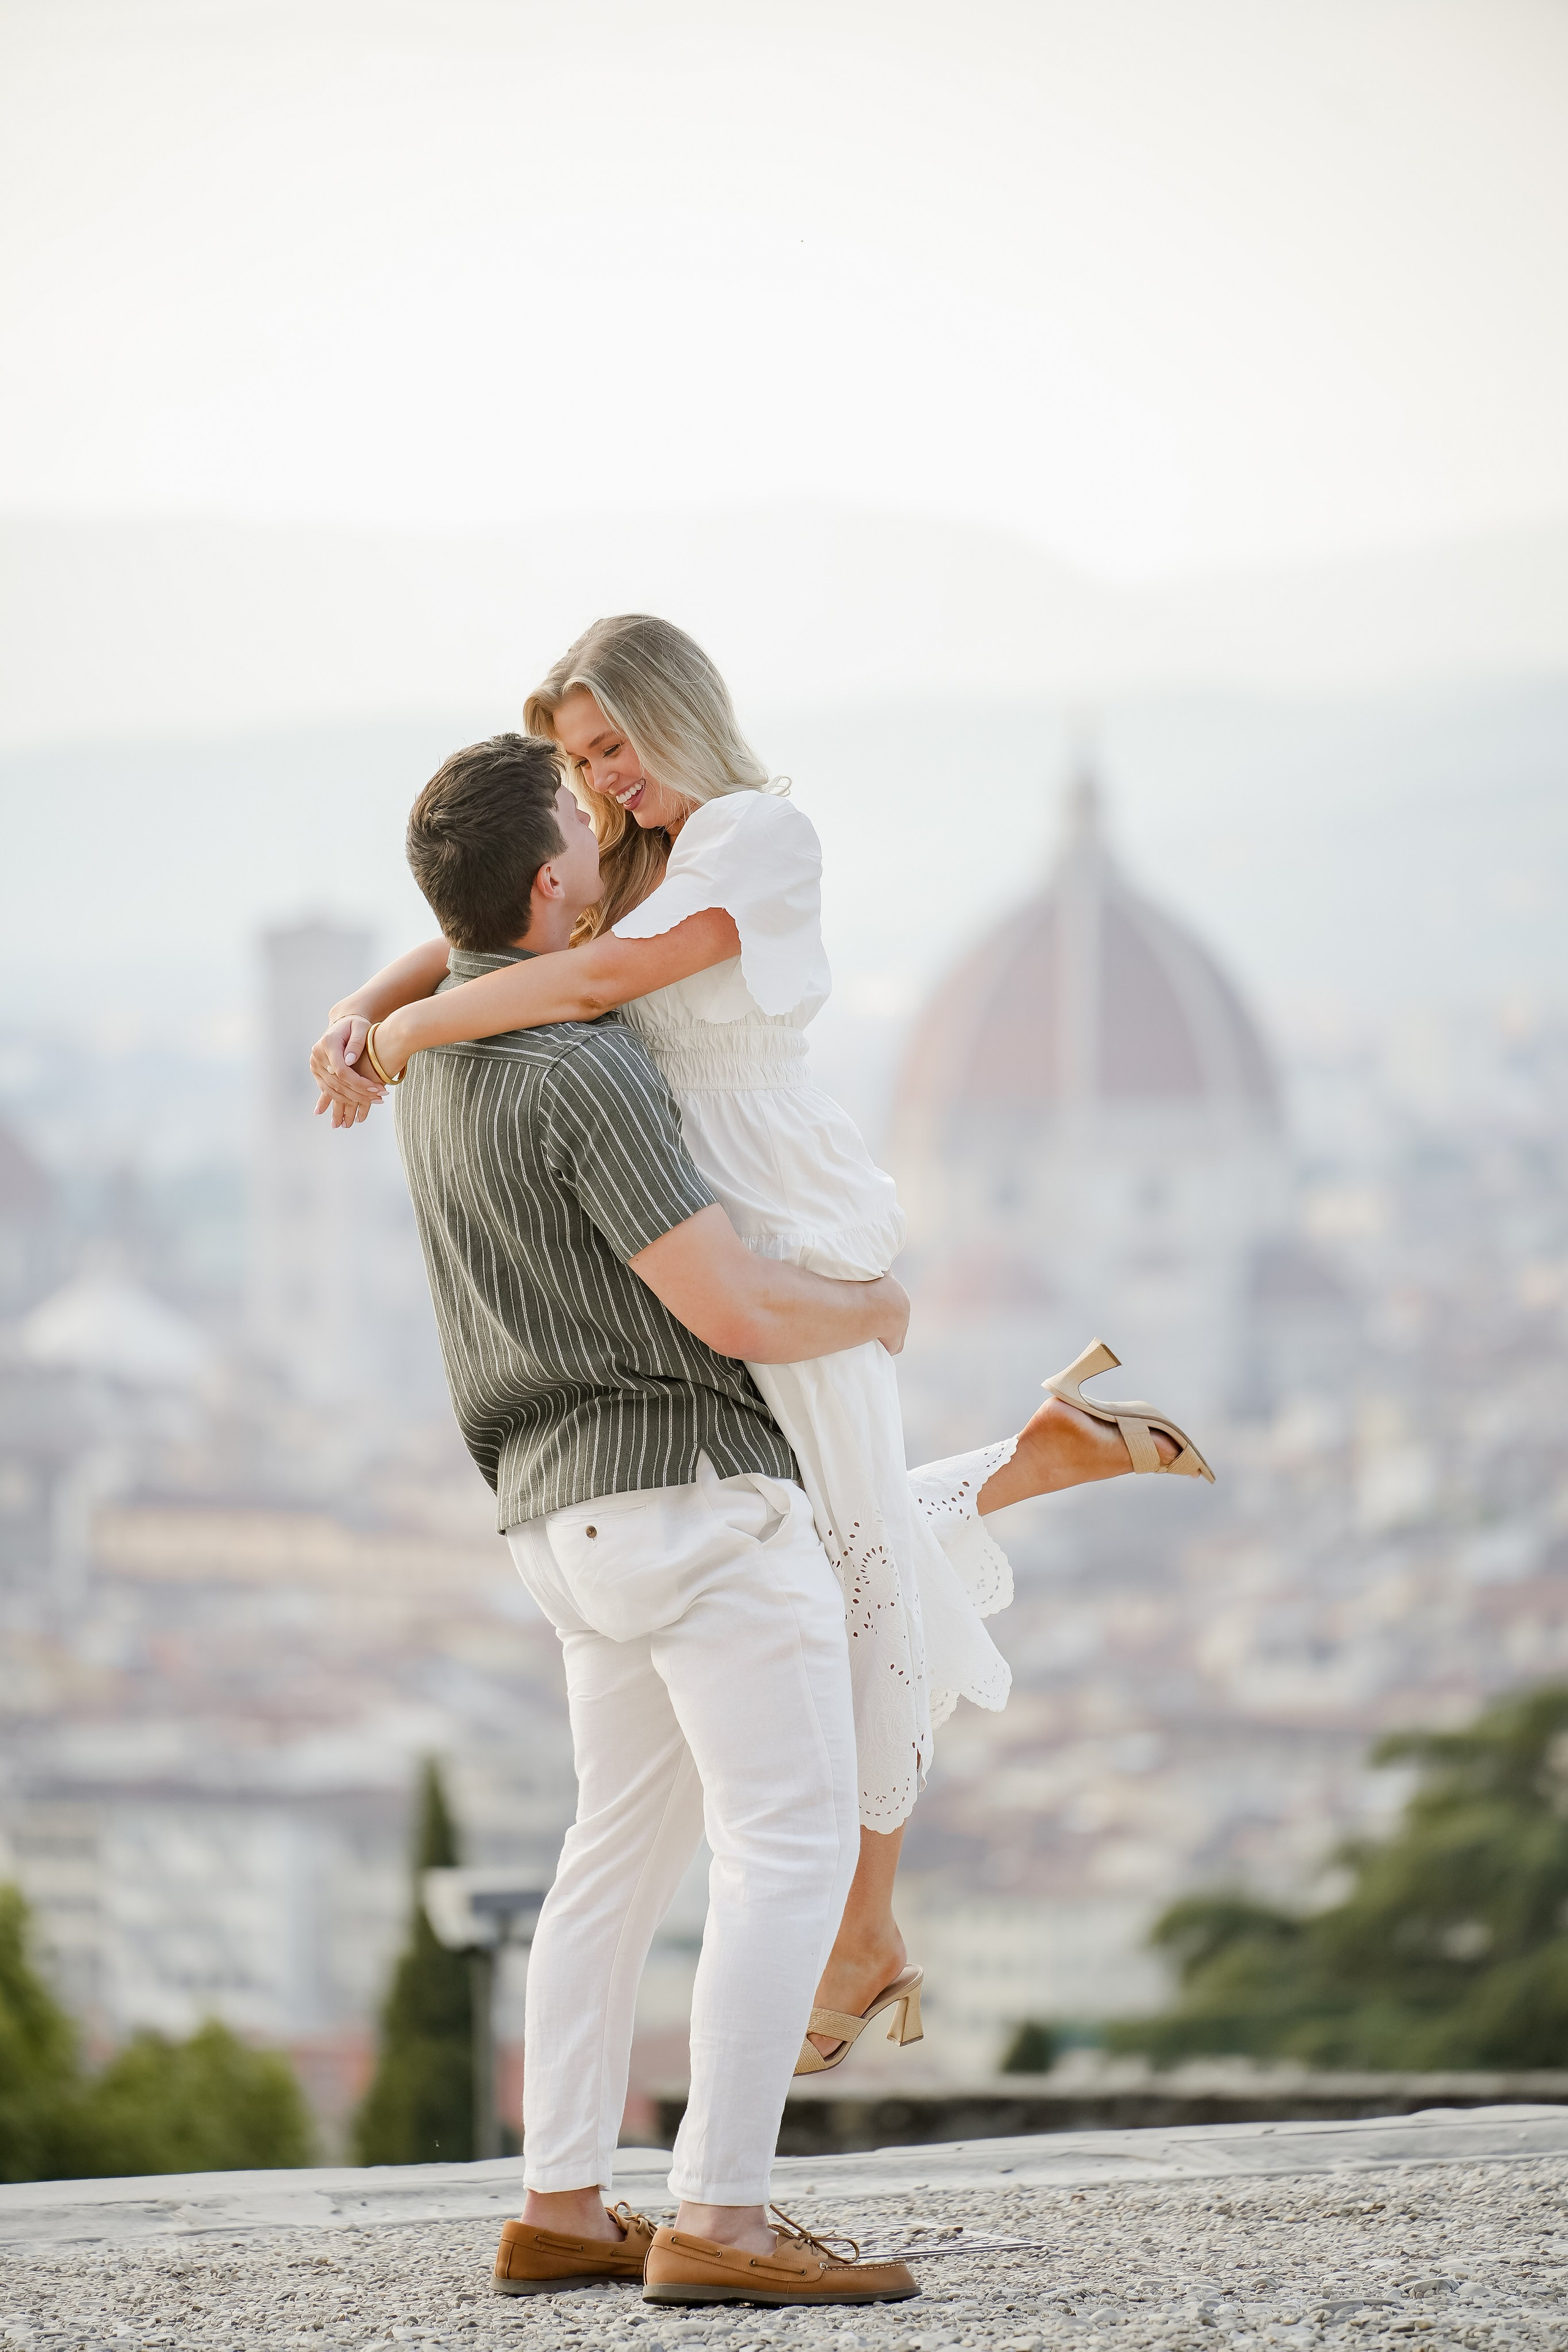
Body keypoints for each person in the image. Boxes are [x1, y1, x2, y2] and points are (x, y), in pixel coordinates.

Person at [312, 616, 1212, 2072]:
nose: (605, 778)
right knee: (831, 1546)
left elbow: (598, 984)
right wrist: (361, 1006)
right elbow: (470, 935)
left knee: (853, 1579)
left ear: (679, 715)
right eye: (579, 760)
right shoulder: (622, 844)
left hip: (774, 1230)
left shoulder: (757, 839)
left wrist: (414, 1038)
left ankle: (865, 1937)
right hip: (685, 1232)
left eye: (617, 745)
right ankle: (1033, 1461)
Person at [387, 731, 919, 2304]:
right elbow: (735, 1305)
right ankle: (723, 2219)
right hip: (687, 1500)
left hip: (556, 1526)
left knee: (606, 1864)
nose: (612, 818)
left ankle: (560, 2202)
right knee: (789, 1845)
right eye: (582, 814)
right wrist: (875, 1305)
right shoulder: (583, 1065)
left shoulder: (434, 1070)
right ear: (554, 886)